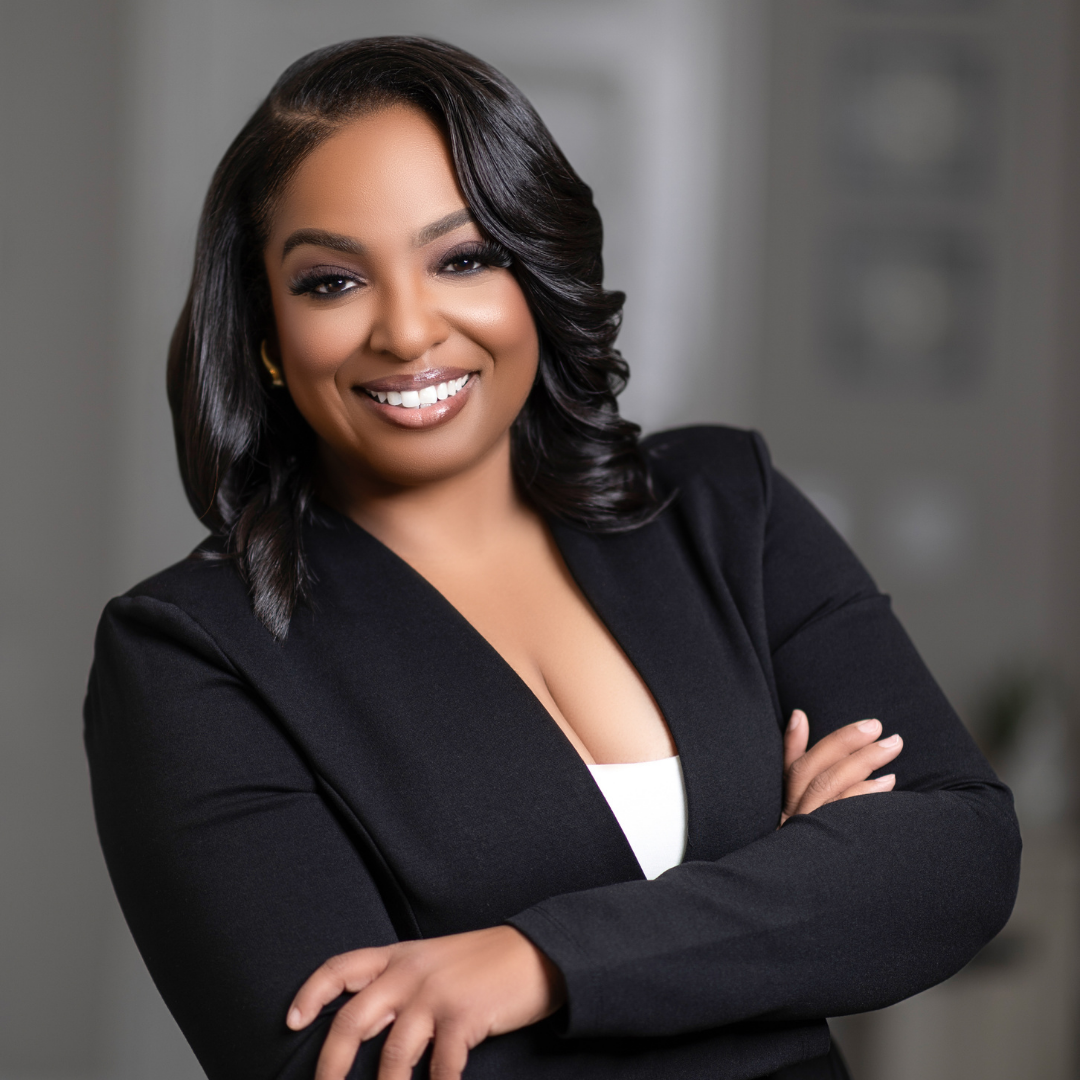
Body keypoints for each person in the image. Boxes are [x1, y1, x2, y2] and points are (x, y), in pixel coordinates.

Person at [83, 37, 1020, 1080]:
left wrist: (535, 963)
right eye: (334, 280)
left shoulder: (723, 507)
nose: (406, 329)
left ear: (536, 271)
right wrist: (792, 889)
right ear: (266, 330)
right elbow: (340, 1063)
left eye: (463, 258)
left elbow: (959, 856)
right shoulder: (189, 652)